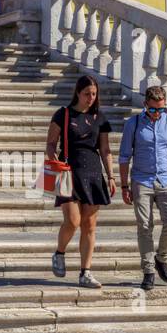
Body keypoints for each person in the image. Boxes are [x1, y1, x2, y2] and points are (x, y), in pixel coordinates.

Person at [119, 85, 167, 290]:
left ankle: (161, 258)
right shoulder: (133, 124)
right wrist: (124, 185)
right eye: (153, 110)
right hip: (141, 180)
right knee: (144, 225)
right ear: (145, 105)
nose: (157, 114)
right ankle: (149, 270)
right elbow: (124, 157)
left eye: (161, 109)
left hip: (166, 180)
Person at [47, 75, 114, 289]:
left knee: (89, 225)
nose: (90, 98)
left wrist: (111, 176)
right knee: (73, 221)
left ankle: (86, 272)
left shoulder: (100, 118)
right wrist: (52, 160)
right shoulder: (63, 114)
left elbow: (105, 150)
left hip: (93, 173)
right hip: (68, 172)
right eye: (87, 94)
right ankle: (59, 252)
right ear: (78, 92)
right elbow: (50, 144)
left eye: (94, 94)